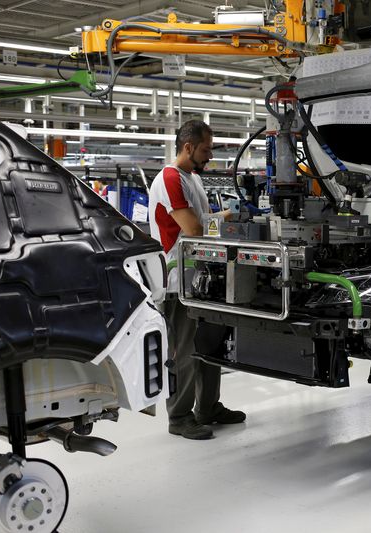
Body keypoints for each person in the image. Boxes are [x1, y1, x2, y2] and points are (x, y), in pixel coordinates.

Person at [149, 119, 246, 440]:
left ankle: (208, 408)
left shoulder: (192, 178)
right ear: (188, 147)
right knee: (185, 352)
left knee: (210, 347)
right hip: (177, 282)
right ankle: (179, 417)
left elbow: (200, 222)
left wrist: (226, 217)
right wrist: (221, 225)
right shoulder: (169, 178)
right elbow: (193, 229)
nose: (209, 156)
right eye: (205, 150)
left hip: (200, 279)